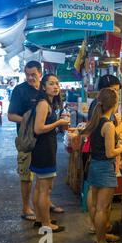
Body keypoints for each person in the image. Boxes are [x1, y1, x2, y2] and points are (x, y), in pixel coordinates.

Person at [8, 61, 64, 223]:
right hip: (27, 140)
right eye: (27, 75)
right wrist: (32, 121)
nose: (30, 78)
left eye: (33, 74)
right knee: (27, 176)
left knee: (44, 180)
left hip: (43, 142)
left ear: (40, 73)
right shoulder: (20, 90)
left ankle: (44, 204)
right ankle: (26, 208)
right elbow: (11, 116)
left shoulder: (45, 90)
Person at [83, 88, 122, 243]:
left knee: (98, 206)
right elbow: (110, 152)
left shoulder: (96, 121)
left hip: (95, 166)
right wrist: (121, 148)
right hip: (104, 168)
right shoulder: (108, 125)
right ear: (114, 105)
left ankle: (103, 236)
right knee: (102, 208)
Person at [31, 74, 69, 232]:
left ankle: (40, 219)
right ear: (44, 86)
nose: (55, 86)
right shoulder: (43, 104)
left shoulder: (48, 103)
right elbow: (38, 129)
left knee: (40, 187)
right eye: (51, 83)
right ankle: (46, 224)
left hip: (43, 149)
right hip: (44, 150)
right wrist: (59, 122)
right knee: (45, 190)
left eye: (57, 83)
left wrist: (57, 122)